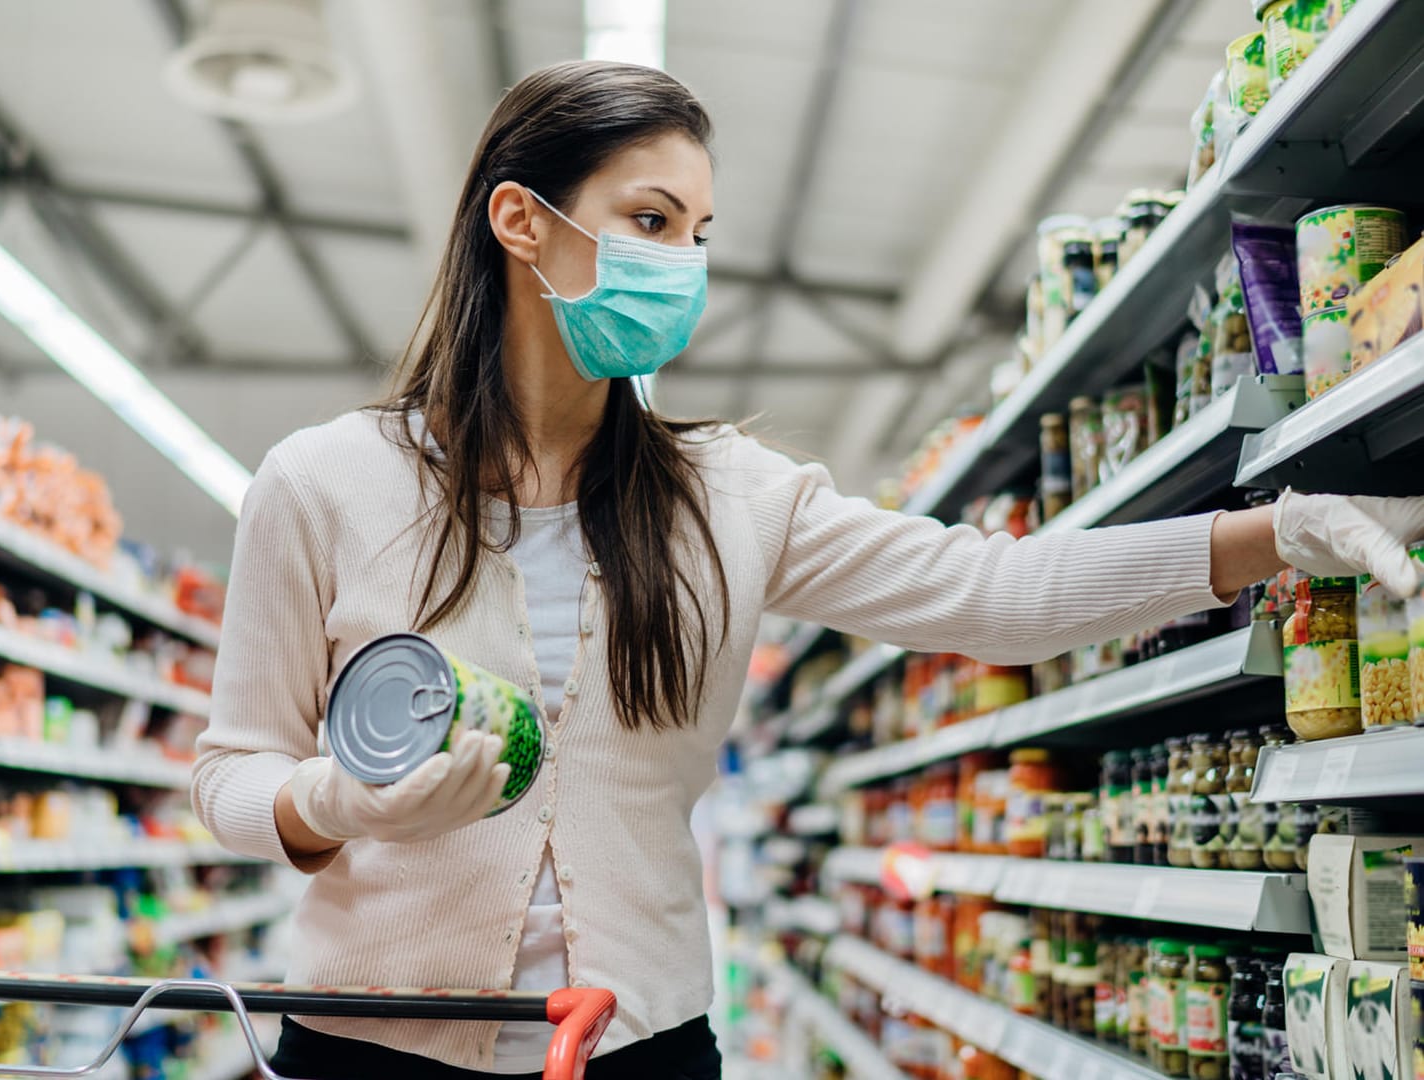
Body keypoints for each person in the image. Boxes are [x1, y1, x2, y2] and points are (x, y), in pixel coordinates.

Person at [191, 60, 1424, 1080]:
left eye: (698, 234)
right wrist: (329, 805)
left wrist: (1280, 531)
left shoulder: (730, 495)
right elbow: (230, 772)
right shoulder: (322, 482)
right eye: (650, 222)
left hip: (639, 1044)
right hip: (372, 1049)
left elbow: (996, 596)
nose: (683, 263)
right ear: (522, 222)